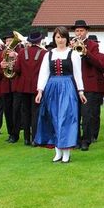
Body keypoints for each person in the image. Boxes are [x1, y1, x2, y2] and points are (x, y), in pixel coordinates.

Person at [35, 26, 87, 163]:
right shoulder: (49, 54)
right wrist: (40, 90)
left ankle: (66, 152)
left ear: (66, 38)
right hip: (52, 88)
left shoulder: (74, 54)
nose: (60, 40)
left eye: (63, 37)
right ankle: (58, 151)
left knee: (66, 118)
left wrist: (81, 91)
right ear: (54, 39)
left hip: (68, 87)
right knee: (53, 118)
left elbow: (77, 74)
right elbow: (44, 73)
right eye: (58, 37)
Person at [73, 20, 104, 152]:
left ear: (86, 32)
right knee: (74, 114)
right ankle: (75, 139)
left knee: (87, 114)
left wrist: (86, 53)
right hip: (74, 83)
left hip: (88, 85)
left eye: (81, 31)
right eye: (77, 31)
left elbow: (98, 64)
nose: (79, 33)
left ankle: (86, 140)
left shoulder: (93, 45)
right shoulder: (70, 44)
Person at [13, 31, 46, 146]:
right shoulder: (44, 53)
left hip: (23, 86)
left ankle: (26, 138)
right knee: (35, 113)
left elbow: (17, 69)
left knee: (25, 113)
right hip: (38, 87)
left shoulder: (22, 52)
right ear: (40, 41)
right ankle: (35, 138)